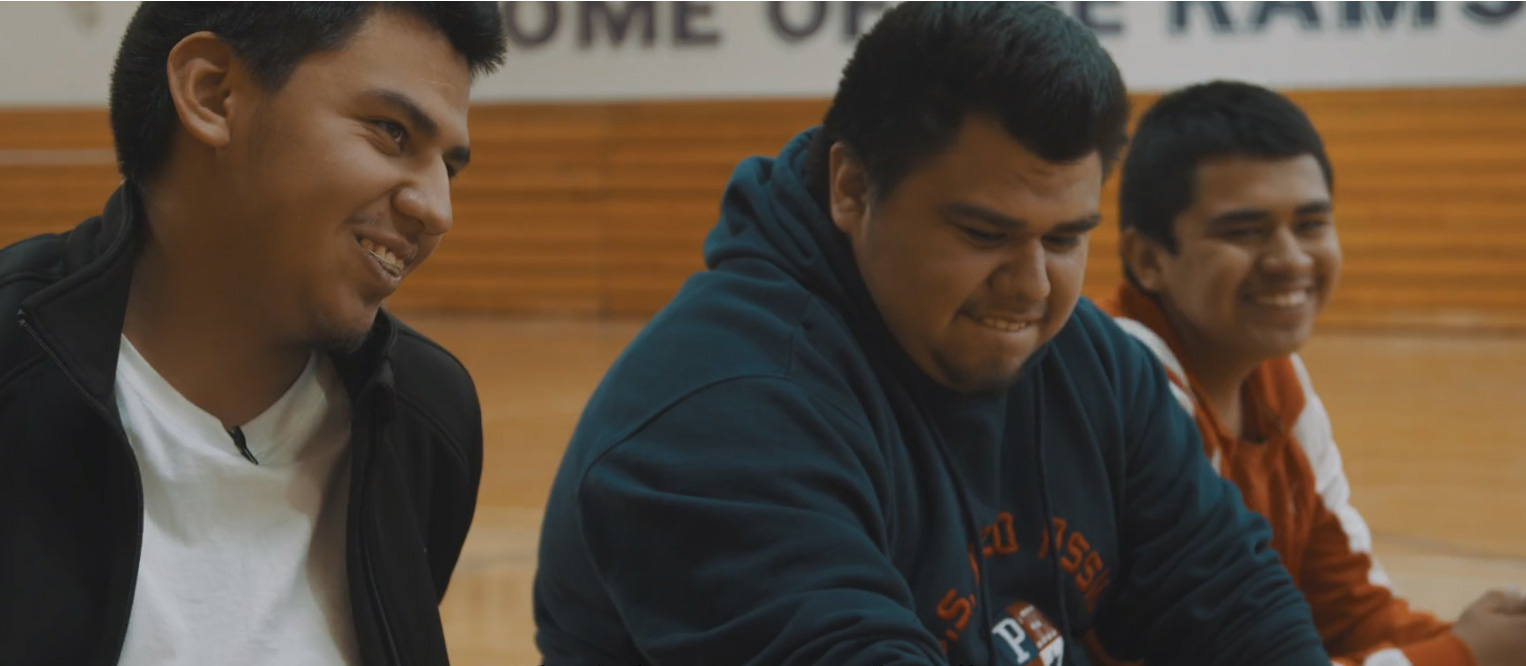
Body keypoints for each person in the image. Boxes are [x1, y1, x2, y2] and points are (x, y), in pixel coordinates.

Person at [534, 4, 1328, 665]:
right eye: (984, 233)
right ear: (852, 188)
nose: (1032, 287)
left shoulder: (1090, 361)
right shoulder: (719, 417)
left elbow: (1233, 603)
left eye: (1063, 240)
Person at [0, 4, 506, 664]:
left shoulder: (427, 417)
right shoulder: (15, 371)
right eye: (391, 131)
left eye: (451, 168)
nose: (437, 209)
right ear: (213, 95)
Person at [1099, 80, 1526, 666]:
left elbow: (1350, 613)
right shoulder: (1119, 380)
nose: (1290, 260)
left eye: (1310, 224)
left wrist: (1488, 641)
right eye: (1245, 231)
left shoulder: (1277, 379)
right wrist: (1461, 653)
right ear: (1149, 259)